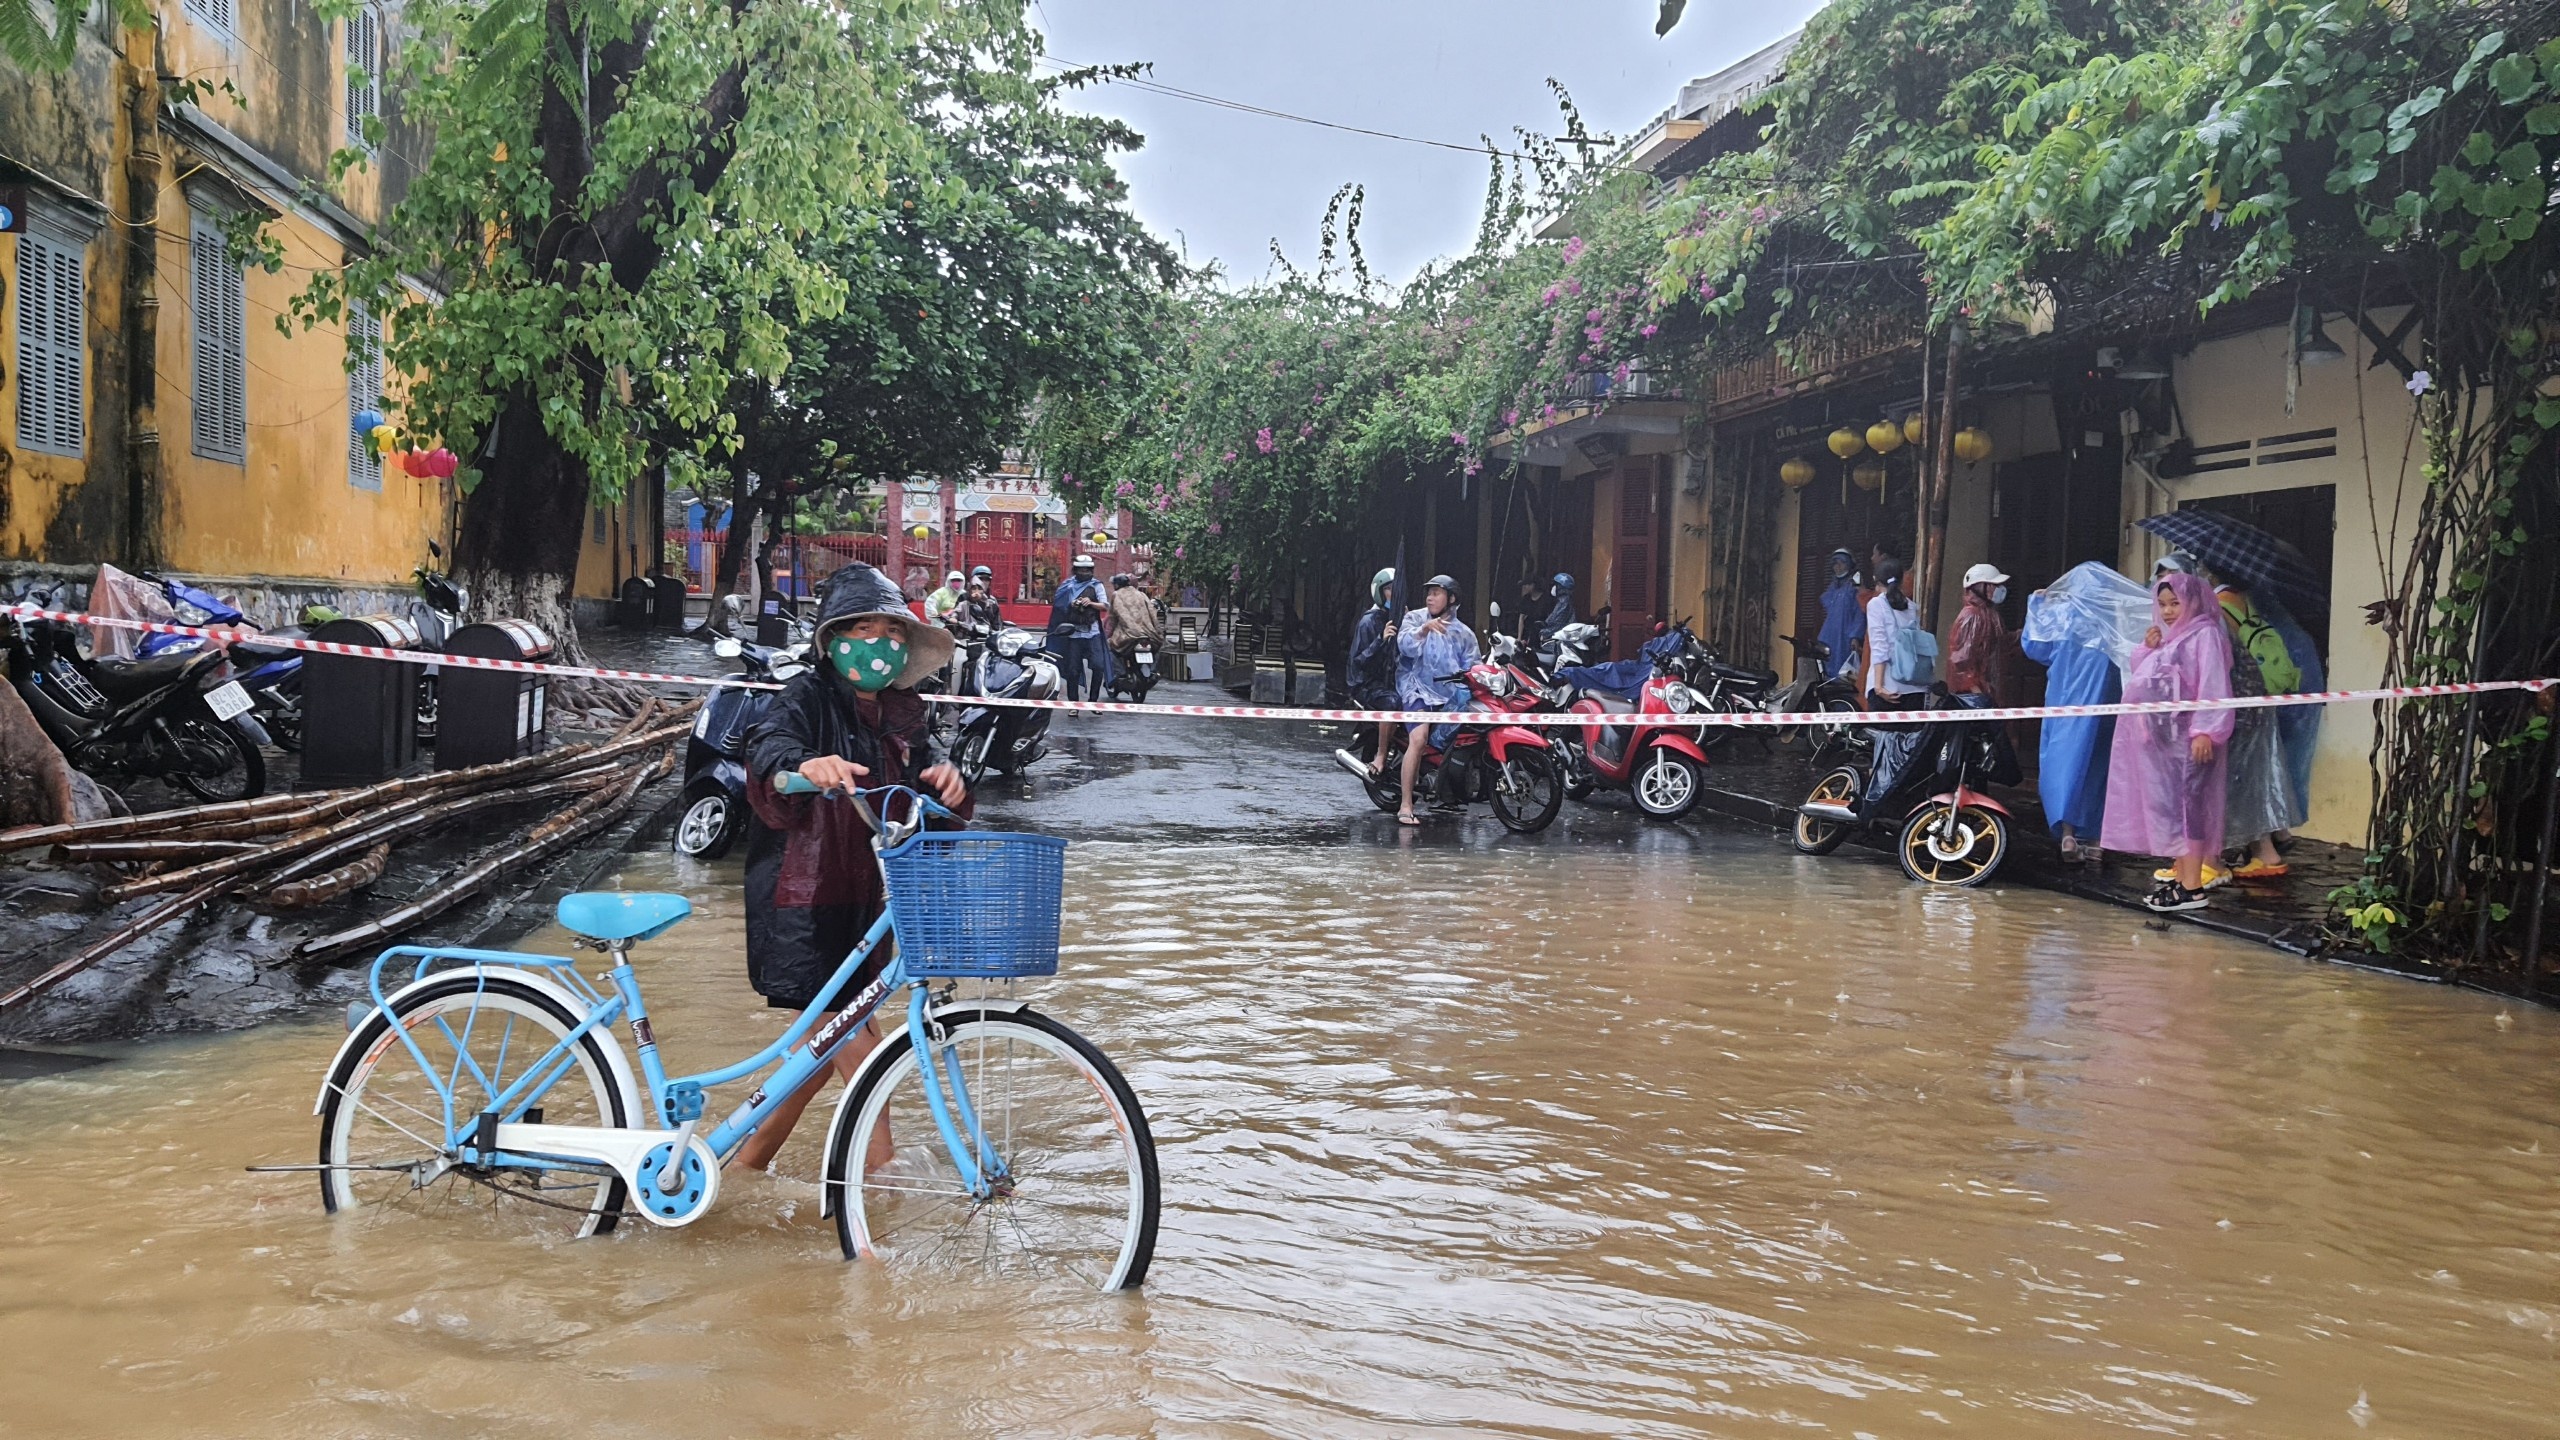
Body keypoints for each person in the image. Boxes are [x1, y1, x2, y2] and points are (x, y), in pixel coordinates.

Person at [736, 564, 969, 1173]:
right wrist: (806, 766)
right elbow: (767, 754)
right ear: (834, 641)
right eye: (862, 629)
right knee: (862, 1056)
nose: (878, 643)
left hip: (871, 907)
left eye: (891, 632)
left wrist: (950, 783)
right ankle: (880, 1203)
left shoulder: (905, 716)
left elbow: (930, 793)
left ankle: (741, 1169)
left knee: (819, 1057)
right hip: (804, 903)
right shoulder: (804, 697)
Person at [2102, 570, 2234, 914]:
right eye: (2162, 604)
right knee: (2173, 811)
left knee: (2189, 810)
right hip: (2166, 742)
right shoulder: (2175, 637)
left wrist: (2206, 730)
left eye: (2175, 603)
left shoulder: (2205, 635)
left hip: (2189, 740)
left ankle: (2192, 887)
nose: (2168, 611)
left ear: (2193, 601)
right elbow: (2151, 675)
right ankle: (2182, 878)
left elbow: (2213, 684)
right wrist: (2148, 647)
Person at [2021, 562, 2150, 863]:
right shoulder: (2112, 619)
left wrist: (2037, 604)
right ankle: (2096, 839)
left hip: (2065, 703)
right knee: (2100, 767)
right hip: (2107, 703)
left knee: (2065, 765)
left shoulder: (2061, 616)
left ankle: (2067, 834)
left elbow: (2034, 648)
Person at [2214, 576, 2307, 880]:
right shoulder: (2246, 603)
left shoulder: (2217, 606)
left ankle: (2265, 855)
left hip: (2238, 705)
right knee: (2254, 776)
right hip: (2259, 697)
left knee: (2238, 781)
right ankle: (2269, 849)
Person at [1392, 574, 1480, 827]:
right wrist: (1423, 630)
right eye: (1428, 593)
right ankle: (1406, 804)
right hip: (1416, 689)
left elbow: (1473, 665)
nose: (1430, 597)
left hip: (1449, 695)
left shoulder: (1464, 633)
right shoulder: (1415, 618)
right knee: (1418, 741)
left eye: (1437, 593)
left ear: (1451, 599)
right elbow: (1404, 646)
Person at [1345, 567, 1402, 775]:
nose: (1393, 593)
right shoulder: (1369, 621)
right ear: (1379, 592)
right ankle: (1380, 754)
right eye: (1389, 589)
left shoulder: (1399, 617)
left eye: (1397, 589)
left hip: (1389, 680)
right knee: (1392, 703)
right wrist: (1381, 640)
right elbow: (1359, 662)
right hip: (1366, 684)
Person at [1862, 560, 1928, 710]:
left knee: (1883, 733)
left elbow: (1880, 647)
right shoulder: (1911, 607)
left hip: (1889, 686)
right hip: (1915, 687)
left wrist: (1878, 686)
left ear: (1876, 580)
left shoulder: (1876, 605)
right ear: (1902, 580)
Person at [1047, 554, 1112, 701]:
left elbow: (1105, 606)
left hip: (1092, 633)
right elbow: (1059, 606)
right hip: (1073, 634)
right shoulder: (1067, 586)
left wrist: (1090, 603)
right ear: (1075, 570)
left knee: (1098, 666)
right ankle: (1073, 704)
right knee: (1073, 670)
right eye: (1081, 570)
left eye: (1087, 570)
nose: (1084, 573)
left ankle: (1093, 701)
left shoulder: (1097, 585)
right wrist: (1072, 604)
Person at [1947, 562, 2013, 702]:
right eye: (1993, 585)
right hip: (1972, 698)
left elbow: (2004, 642)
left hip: (1987, 693)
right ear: (1979, 587)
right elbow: (1961, 661)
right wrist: (1976, 693)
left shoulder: (1991, 615)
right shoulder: (1971, 616)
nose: (1998, 589)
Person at [1815, 548, 1864, 681]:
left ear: (1849, 564)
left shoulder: (1854, 586)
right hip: (1829, 636)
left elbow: (1860, 613)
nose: (1838, 567)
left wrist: (1855, 636)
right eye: (1835, 563)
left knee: (1843, 673)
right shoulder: (1833, 587)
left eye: (1841, 563)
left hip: (1845, 636)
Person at [1106, 572, 1164, 678]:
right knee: (1158, 648)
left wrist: (1108, 635)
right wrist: (1158, 632)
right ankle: (1153, 670)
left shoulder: (1116, 595)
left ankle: (1120, 673)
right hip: (1149, 634)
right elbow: (1153, 614)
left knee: (1109, 647)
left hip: (1129, 636)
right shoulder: (1141, 594)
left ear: (1117, 585)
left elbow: (1113, 619)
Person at [1538, 574, 1579, 645]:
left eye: (1555, 585)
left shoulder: (1564, 602)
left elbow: (1557, 622)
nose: (1553, 587)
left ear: (1560, 587)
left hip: (1562, 640)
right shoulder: (1562, 601)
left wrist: (1544, 632)